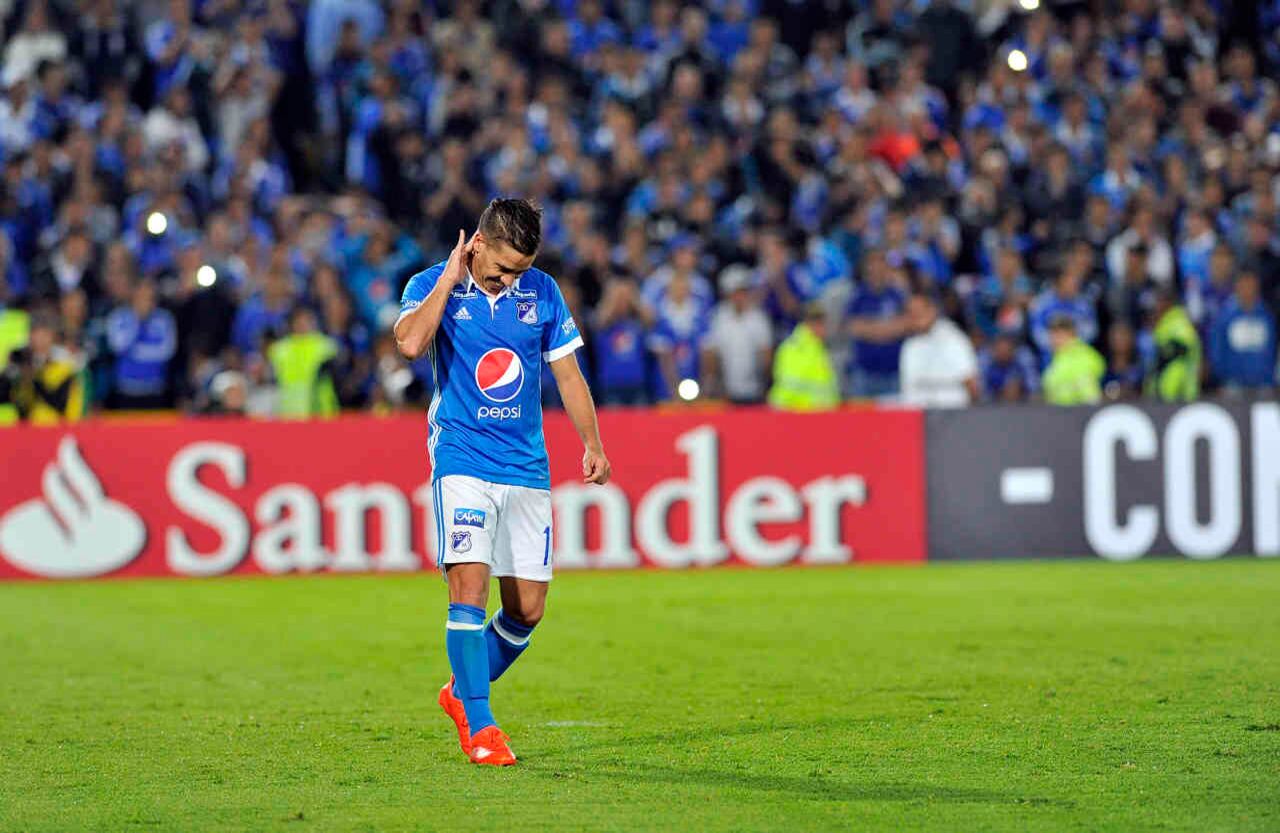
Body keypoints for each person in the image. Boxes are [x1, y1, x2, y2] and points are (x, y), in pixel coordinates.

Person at [394, 198, 610, 767]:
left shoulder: (542, 292)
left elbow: (567, 372)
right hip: (462, 460)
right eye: (503, 267)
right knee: (469, 590)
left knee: (527, 610)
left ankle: (459, 692)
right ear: (479, 242)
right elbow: (412, 344)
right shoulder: (429, 283)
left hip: (526, 466)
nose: (511, 279)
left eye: (521, 269)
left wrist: (593, 444)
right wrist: (447, 280)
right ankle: (482, 726)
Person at [702, 265, 772, 404]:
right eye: (735, 292)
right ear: (727, 294)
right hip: (725, 391)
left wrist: (764, 385)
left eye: (743, 291)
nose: (740, 297)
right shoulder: (718, 317)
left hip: (754, 390)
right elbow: (710, 353)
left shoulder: (758, 318)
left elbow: (766, 355)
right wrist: (715, 384)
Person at [899, 291, 978, 408]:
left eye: (920, 311)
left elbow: (971, 382)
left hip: (952, 413)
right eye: (911, 313)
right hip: (918, 414)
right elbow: (907, 389)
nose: (916, 316)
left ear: (932, 310)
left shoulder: (953, 337)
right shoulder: (909, 346)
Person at [845, 249, 908, 397]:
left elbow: (905, 325)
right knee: (861, 419)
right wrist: (889, 328)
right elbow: (855, 328)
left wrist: (871, 328)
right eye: (872, 263)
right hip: (864, 373)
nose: (877, 267)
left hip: (893, 372)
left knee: (894, 418)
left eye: (881, 262)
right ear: (866, 267)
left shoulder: (897, 295)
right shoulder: (857, 296)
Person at [267, 305, 340, 419]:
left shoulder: (327, 346)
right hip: (288, 411)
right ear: (291, 323)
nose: (303, 324)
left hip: (321, 411)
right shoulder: (279, 349)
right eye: (299, 321)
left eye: (307, 320)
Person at [1210, 272, 1276, 395]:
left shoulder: (1266, 316)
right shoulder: (1224, 316)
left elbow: (1271, 350)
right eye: (1244, 286)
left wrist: (1269, 378)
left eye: (1251, 286)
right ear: (1237, 287)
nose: (1248, 290)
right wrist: (1223, 377)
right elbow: (1217, 350)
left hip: (1263, 386)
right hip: (1232, 385)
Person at [767, 301, 839, 411]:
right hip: (797, 415)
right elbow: (790, 388)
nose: (825, 329)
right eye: (822, 323)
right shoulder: (795, 348)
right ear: (811, 324)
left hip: (816, 415)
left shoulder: (817, 347)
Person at [1147, 288, 1201, 402]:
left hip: (1179, 391)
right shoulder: (1164, 322)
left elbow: (1184, 349)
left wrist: (1165, 351)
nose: (1157, 306)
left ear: (1169, 303)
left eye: (1160, 301)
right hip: (1165, 390)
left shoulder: (1178, 321)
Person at [1041, 315, 1105, 406]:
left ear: (1072, 333)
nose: (1053, 340)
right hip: (1058, 413)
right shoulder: (1055, 358)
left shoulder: (1084, 356)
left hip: (1078, 414)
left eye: (1059, 335)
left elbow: (1090, 395)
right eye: (1052, 335)